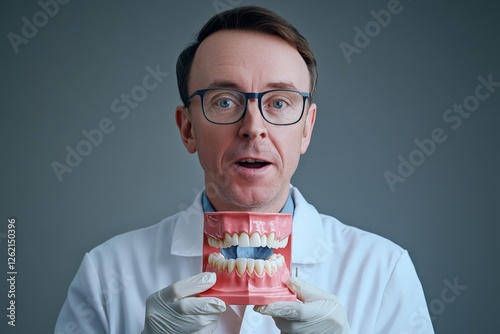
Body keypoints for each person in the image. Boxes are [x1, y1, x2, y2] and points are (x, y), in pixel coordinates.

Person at [55, 6, 434, 333]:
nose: (253, 126)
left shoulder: (384, 271)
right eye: (224, 101)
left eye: (280, 102)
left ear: (306, 129)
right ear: (188, 129)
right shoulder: (107, 272)